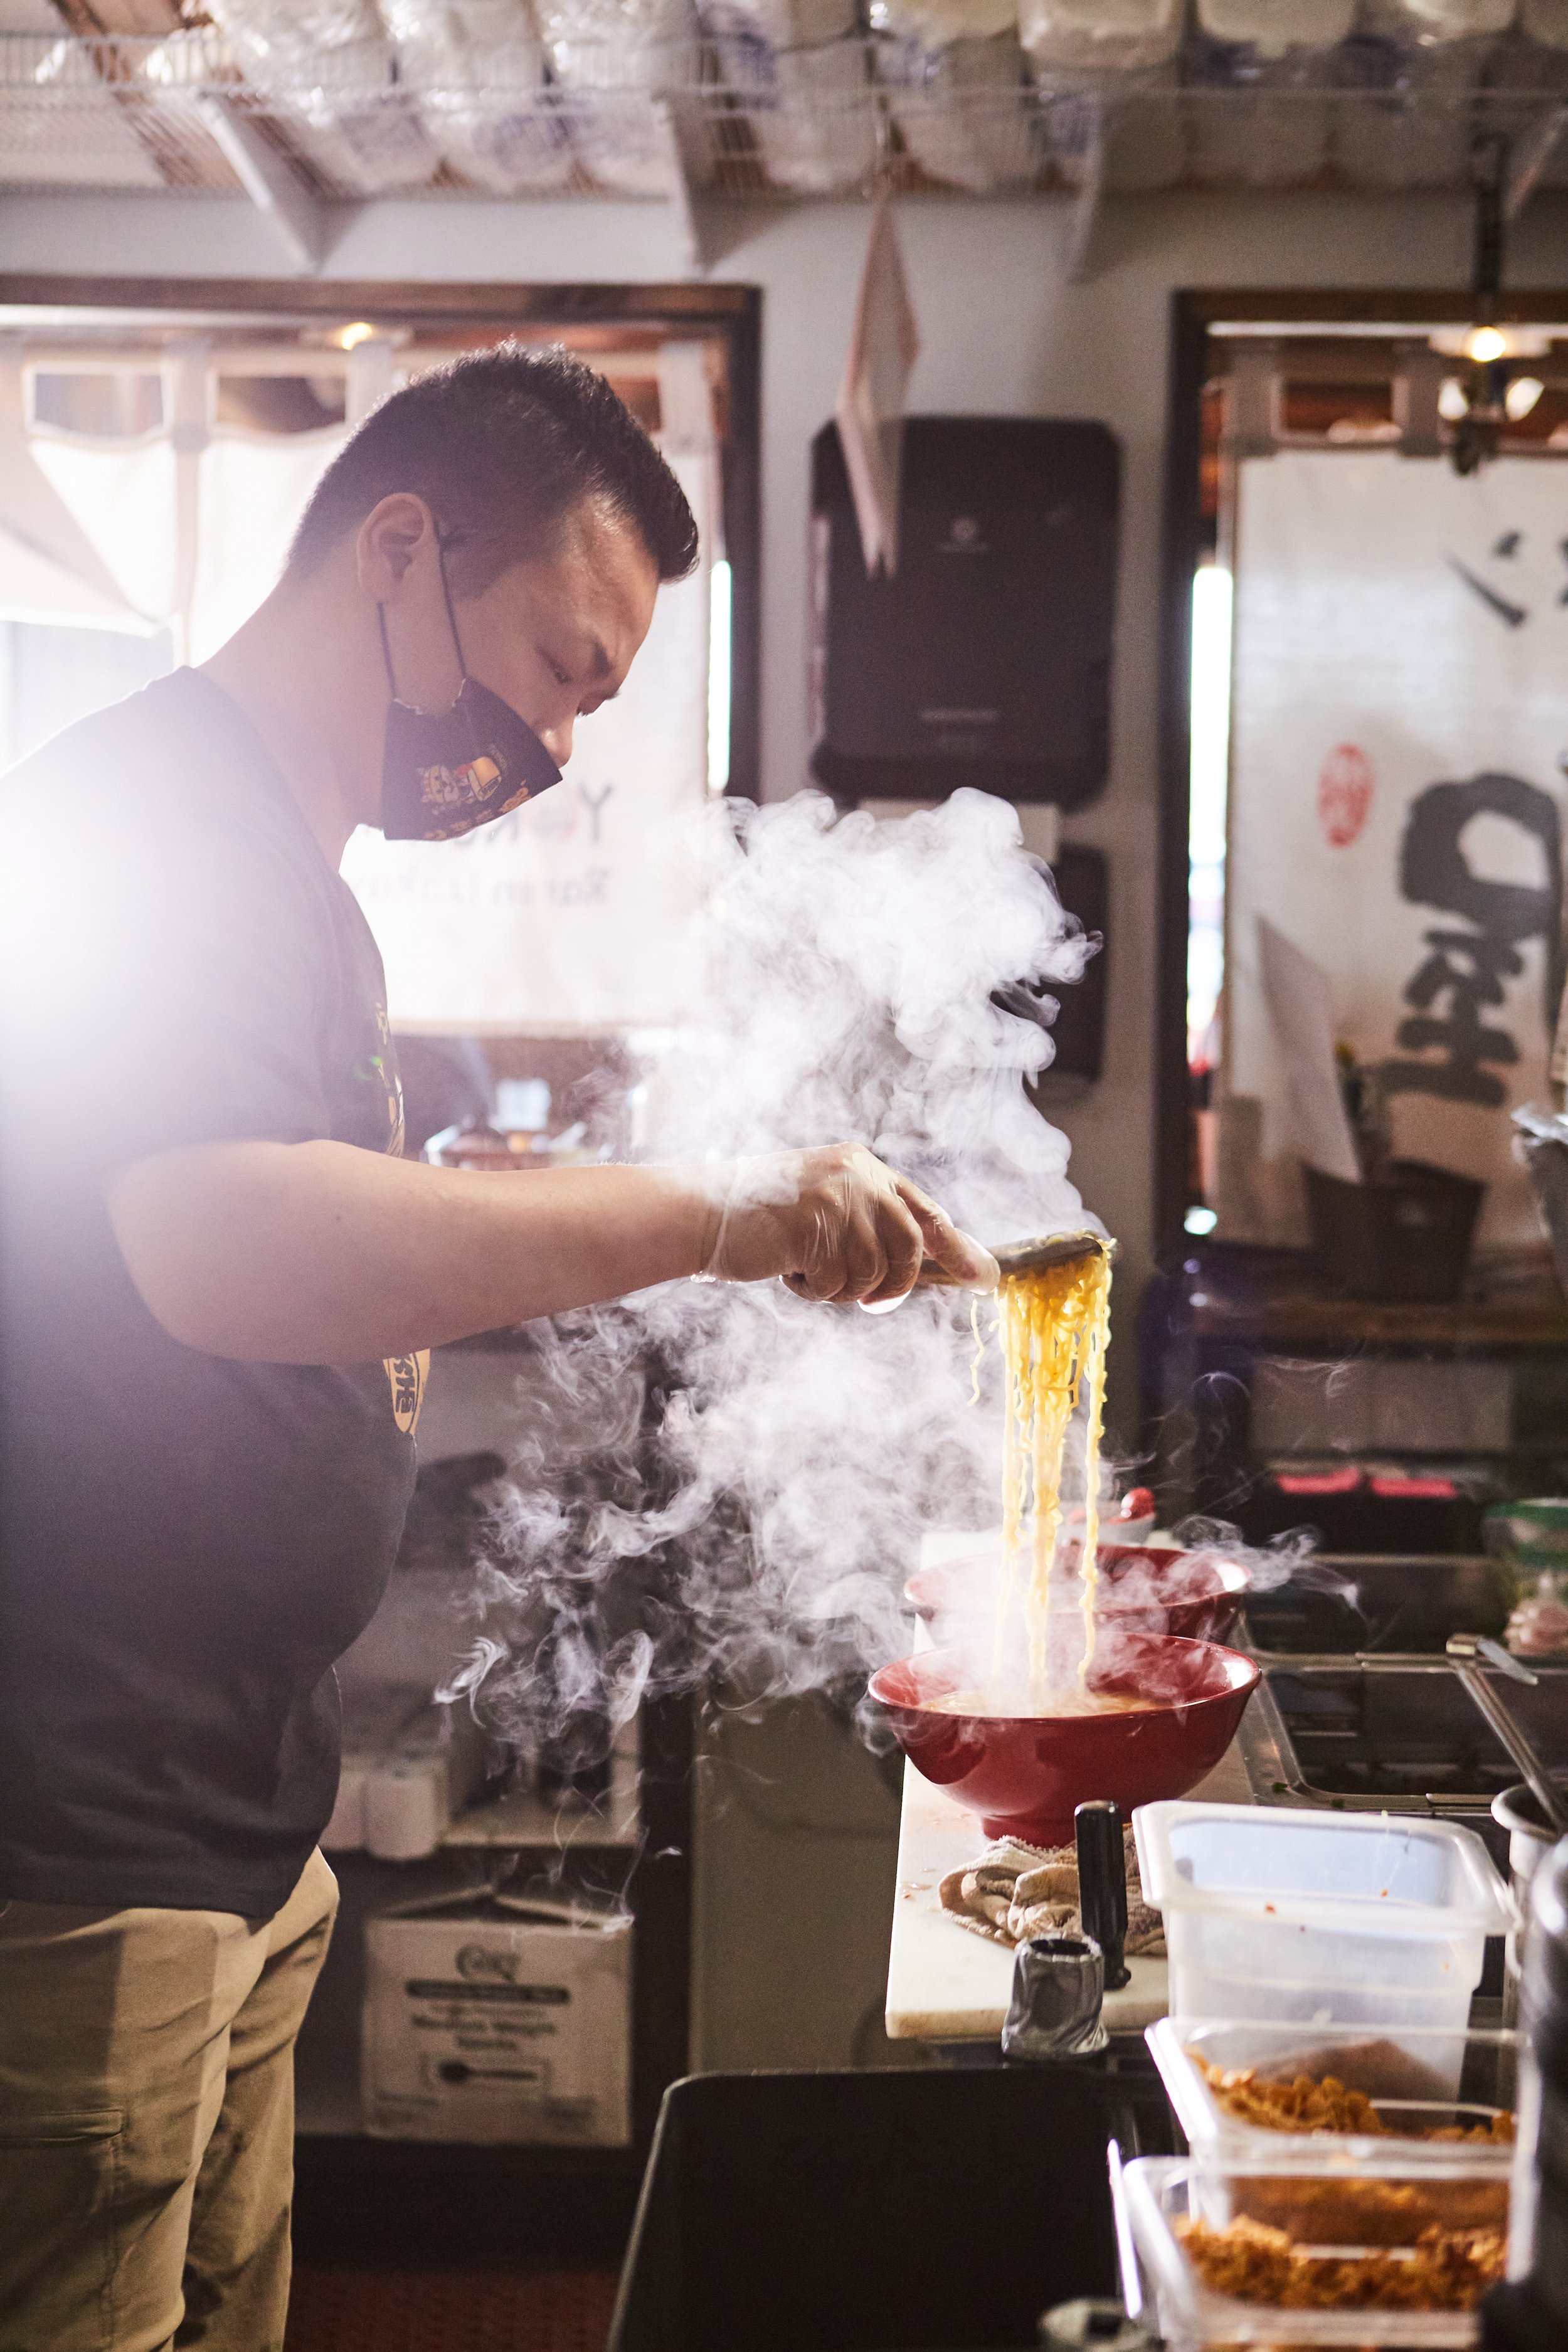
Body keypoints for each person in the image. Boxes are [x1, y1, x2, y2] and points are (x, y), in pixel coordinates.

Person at [0, 342, 995, 2351]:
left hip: (227, 1813)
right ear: (396, 551)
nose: (544, 744)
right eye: (555, 665)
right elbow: (221, 1242)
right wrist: (715, 1209)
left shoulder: (302, 891)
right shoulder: (134, 830)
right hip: (74, 1828)